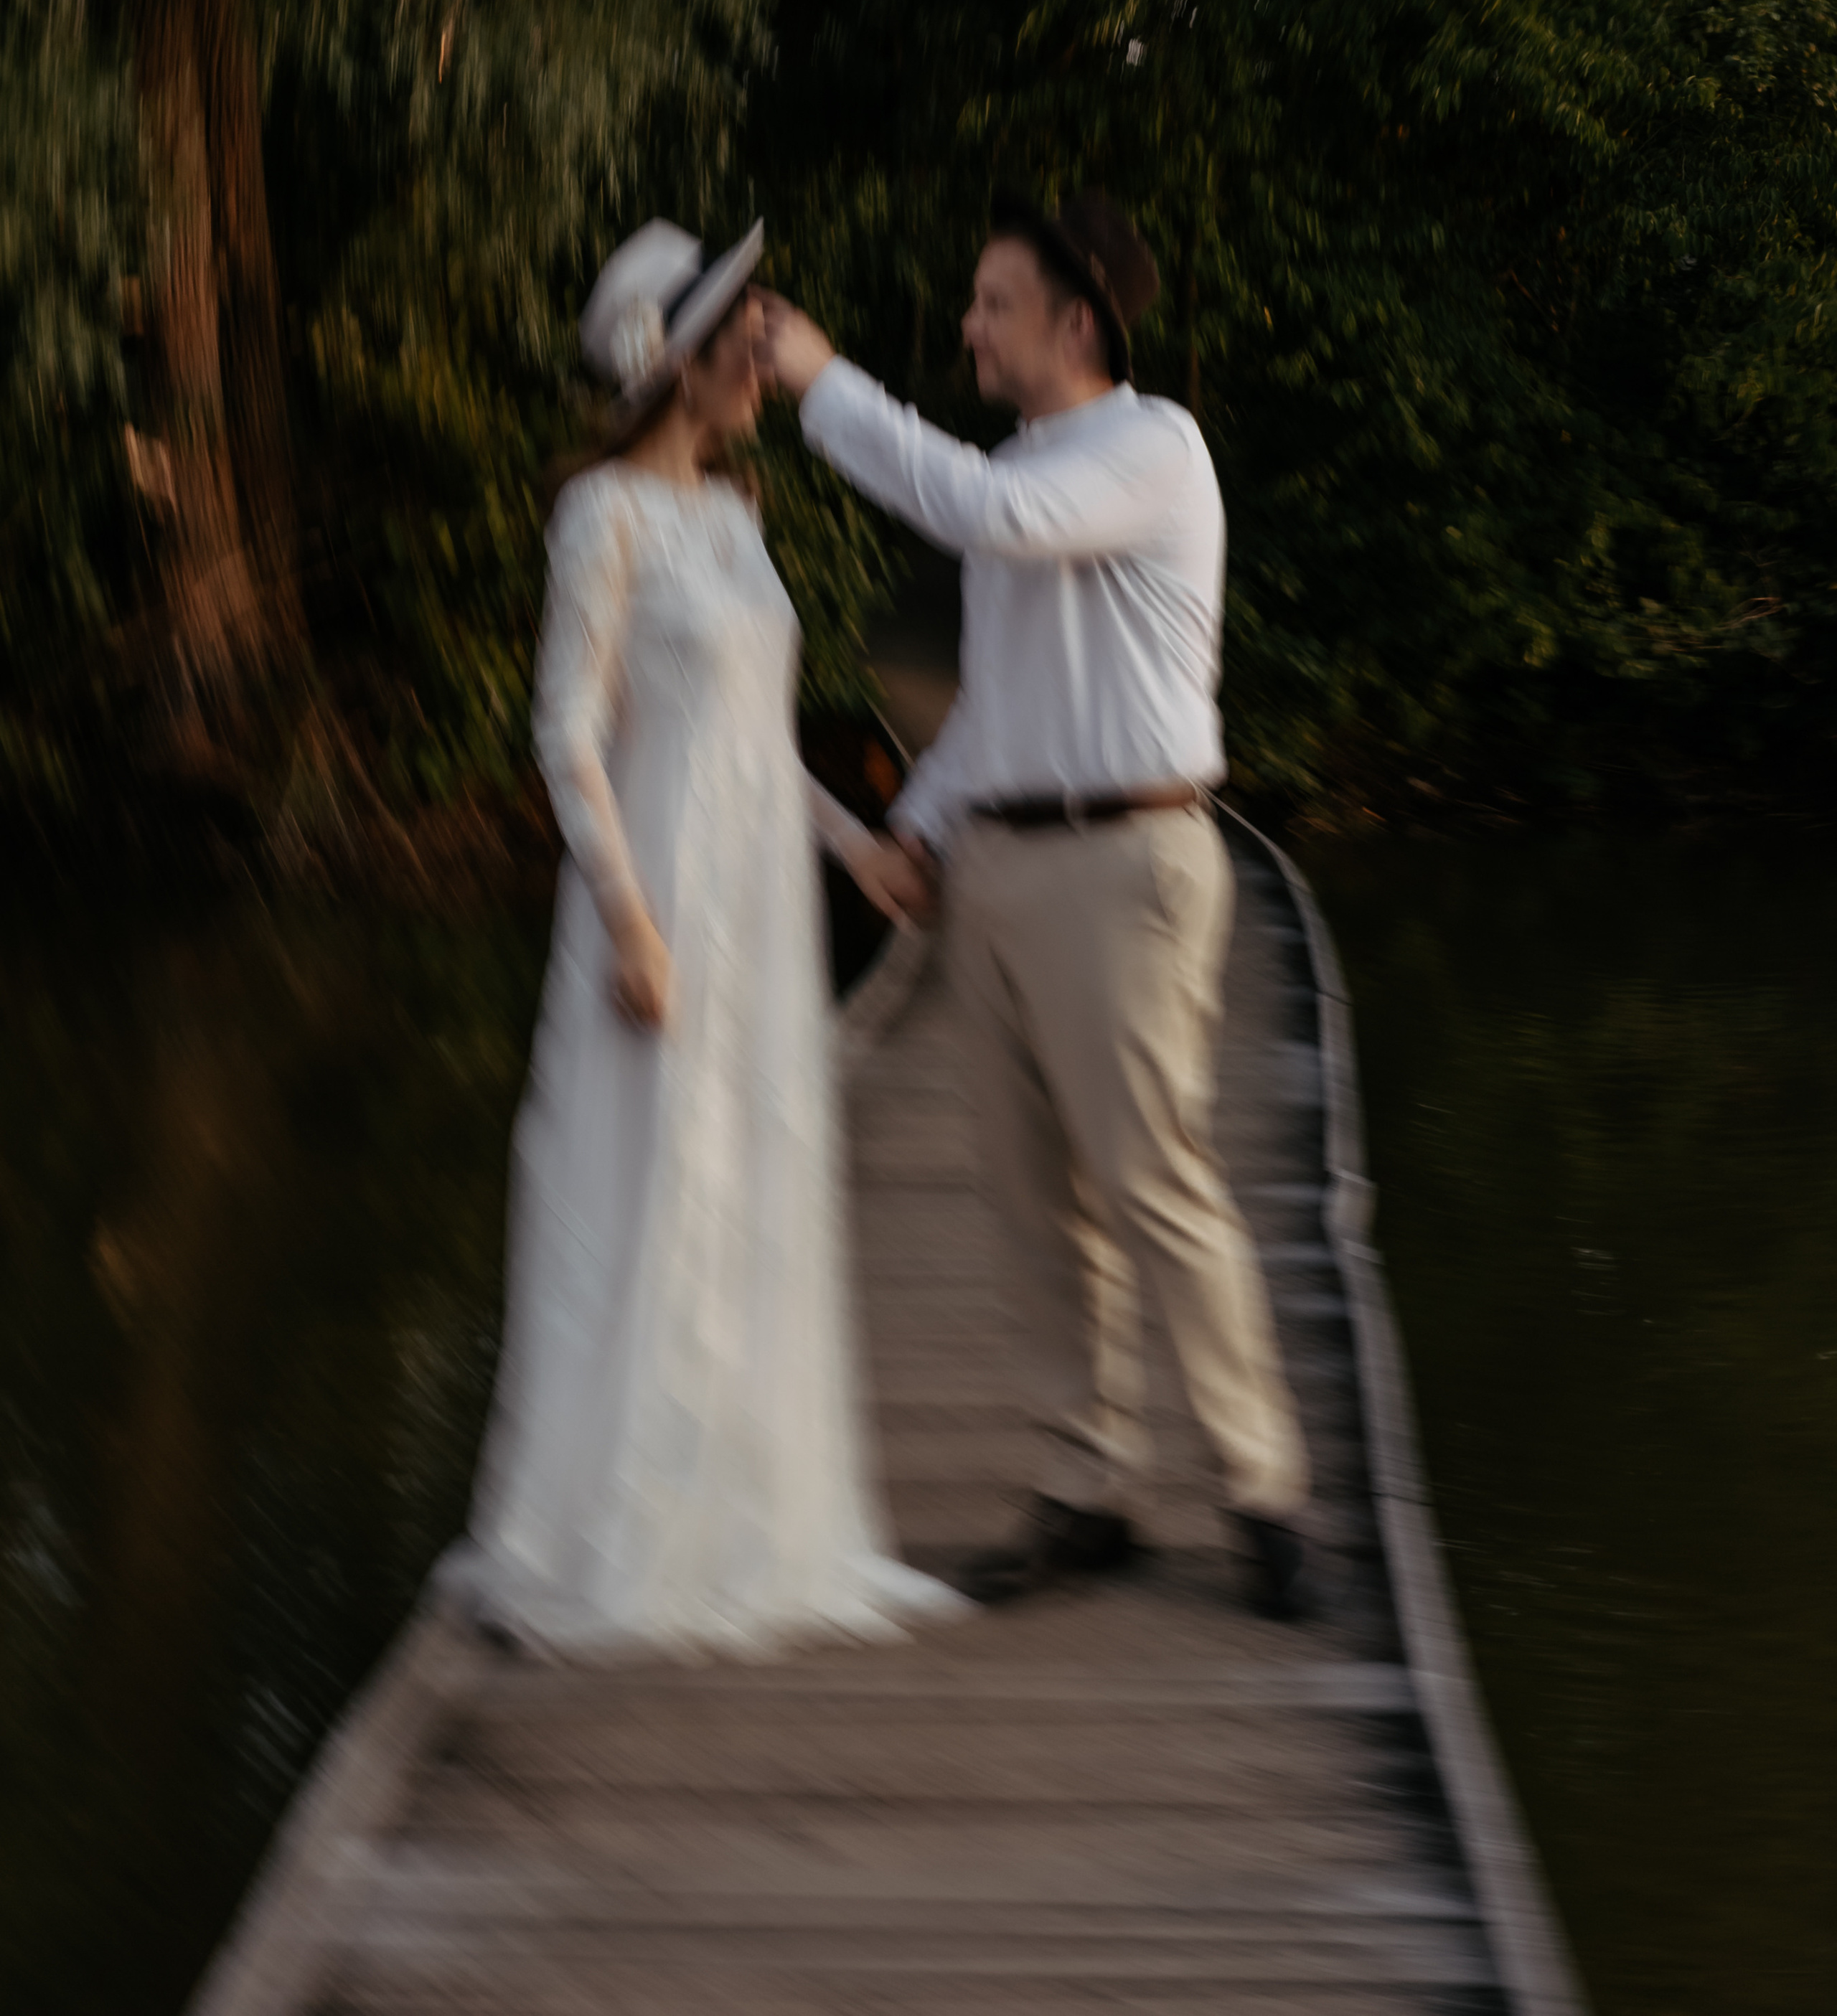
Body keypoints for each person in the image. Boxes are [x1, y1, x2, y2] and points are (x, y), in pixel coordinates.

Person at [759, 192, 1312, 1619]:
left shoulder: (1147, 449)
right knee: (1025, 1199)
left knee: (1156, 1183)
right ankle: (1086, 1488)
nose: (967, 325)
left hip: (1123, 868)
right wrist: (913, 833)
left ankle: (1260, 1493)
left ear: (1076, 322)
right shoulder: (1024, 463)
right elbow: (996, 713)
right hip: (1001, 870)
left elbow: (986, 516)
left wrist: (819, 381)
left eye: (991, 301)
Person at [442, 217, 962, 1657]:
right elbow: (565, 733)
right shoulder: (598, 516)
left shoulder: (734, 518)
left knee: (750, 1166)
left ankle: (748, 1504)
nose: (758, 360)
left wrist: (854, 843)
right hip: (660, 899)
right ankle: (621, 1518)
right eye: (737, 341)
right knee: (645, 1176)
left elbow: (755, 738)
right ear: (677, 367)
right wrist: (627, 918)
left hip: (759, 908)